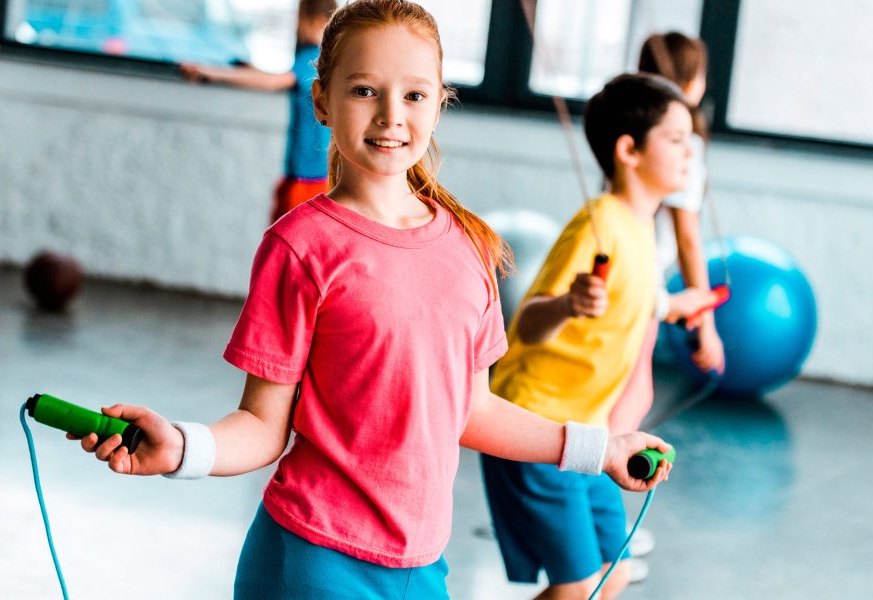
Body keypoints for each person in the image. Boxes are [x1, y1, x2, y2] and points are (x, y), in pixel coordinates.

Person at [72, 3, 673, 599]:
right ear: (322, 102)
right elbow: (261, 424)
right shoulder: (299, 246)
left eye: (414, 95)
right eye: (364, 90)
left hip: (421, 567)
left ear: (439, 103)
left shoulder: (471, 246)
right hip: (312, 563)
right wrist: (182, 447)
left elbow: (473, 410)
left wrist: (602, 449)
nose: (391, 115)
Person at [482, 73, 715, 600]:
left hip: (592, 432)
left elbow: (638, 296)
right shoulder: (597, 224)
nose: (689, 153)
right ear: (629, 151)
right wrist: (568, 304)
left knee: (614, 574)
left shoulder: (641, 226)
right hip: (539, 423)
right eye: (676, 139)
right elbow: (530, 322)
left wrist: (677, 306)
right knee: (579, 586)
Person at [608, 32, 726, 437]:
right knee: (632, 392)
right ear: (691, 83)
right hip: (641, 276)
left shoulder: (628, 129)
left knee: (620, 385)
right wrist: (706, 324)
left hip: (620, 265)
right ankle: (604, 462)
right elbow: (688, 238)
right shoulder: (681, 144)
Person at [180, 0, 336, 224]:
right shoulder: (324, 61)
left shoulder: (312, 56)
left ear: (316, 21)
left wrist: (214, 73)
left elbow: (276, 81)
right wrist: (248, 69)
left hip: (306, 181)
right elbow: (282, 77)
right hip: (312, 178)